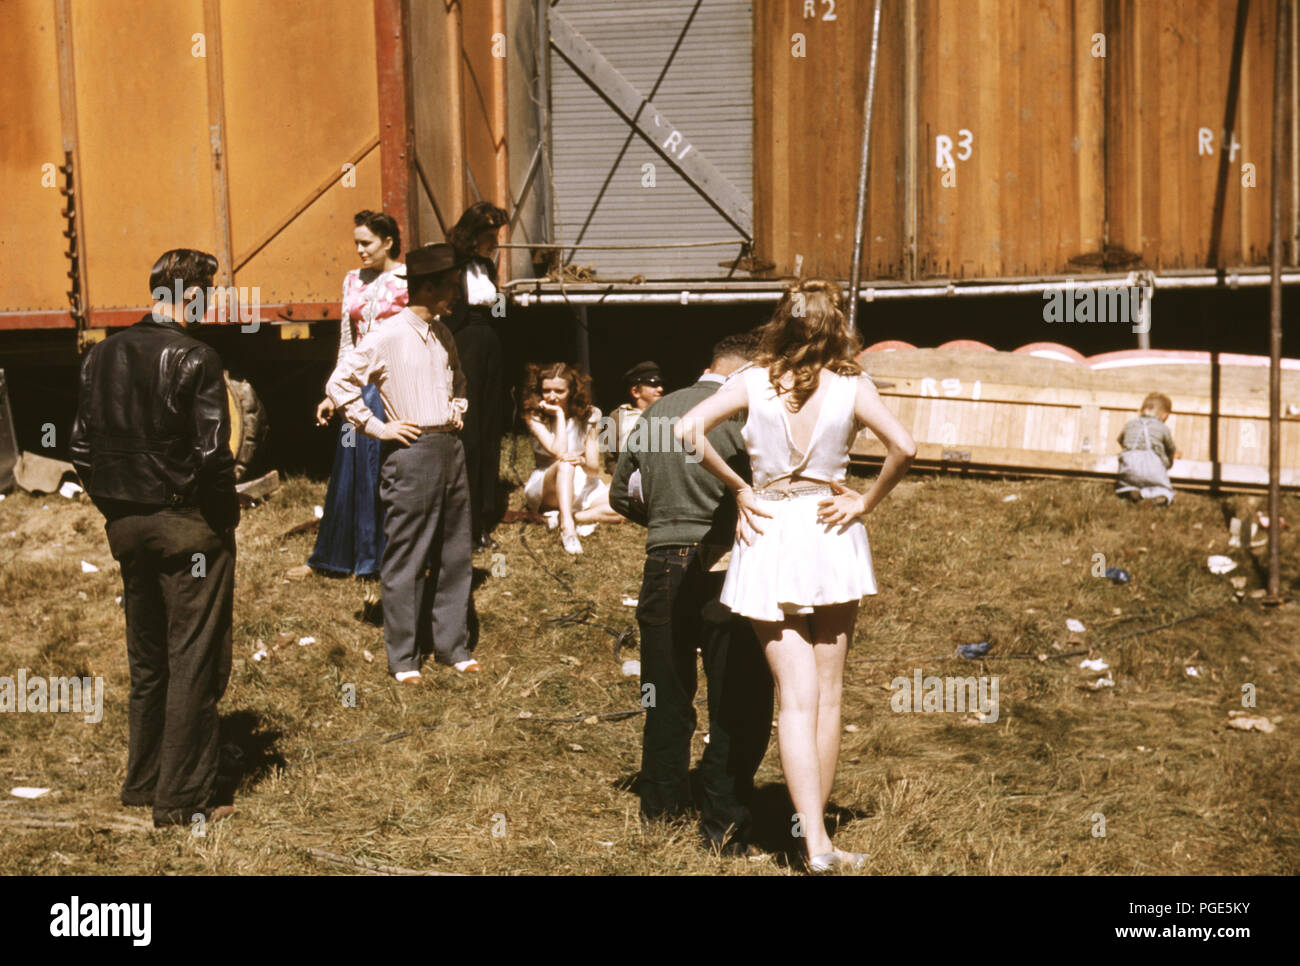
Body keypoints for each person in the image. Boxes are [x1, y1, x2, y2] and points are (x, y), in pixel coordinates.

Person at [676, 279, 916, 872]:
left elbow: (686, 431)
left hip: (771, 529)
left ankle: (812, 845)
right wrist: (865, 502)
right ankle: (821, 844)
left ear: (781, 322)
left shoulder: (753, 379)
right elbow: (904, 446)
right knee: (829, 695)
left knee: (796, 699)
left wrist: (738, 489)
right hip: (832, 529)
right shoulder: (854, 383)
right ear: (838, 326)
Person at [69, 248, 239, 828]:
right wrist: (220, 521)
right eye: (208, 294)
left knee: (148, 659)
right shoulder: (197, 356)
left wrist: (115, 510)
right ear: (189, 295)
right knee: (193, 658)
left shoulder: (101, 355)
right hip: (186, 527)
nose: (212, 305)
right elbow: (215, 454)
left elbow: (80, 449)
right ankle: (182, 800)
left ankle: (142, 783)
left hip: (127, 528)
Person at [610, 332, 773, 856]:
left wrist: (663, 521)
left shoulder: (656, 414)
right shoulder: (746, 411)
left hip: (662, 566)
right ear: (745, 370)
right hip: (728, 565)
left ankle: (659, 815)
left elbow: (619, 494)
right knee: (737, 698)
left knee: (665, 696)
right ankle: (723, 829)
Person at [326, 243, 481, 681]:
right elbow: (340, 384)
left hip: (450, 450)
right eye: (451, 287)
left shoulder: (444, 335)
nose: (457, 296)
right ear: (428, 288)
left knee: (455, 554)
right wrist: (377, 428)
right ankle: (405, 658)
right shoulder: (387, 335)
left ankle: (452, 646)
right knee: (407, 557)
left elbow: (460, 381)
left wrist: (457, 408)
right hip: (410, 455)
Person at [288, 211, 408, 612]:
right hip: (358, 385)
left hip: (394, 385)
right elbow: (347, 339)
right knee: (349, 470)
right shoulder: (353, 280)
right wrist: (334, 391)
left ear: (388, 241)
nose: (359, 250)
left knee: (381, 470)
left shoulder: (408, 281)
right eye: (356, 243)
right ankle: (335, 556)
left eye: (367, 243)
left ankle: (378, 559)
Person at [446, 202, 510, 552]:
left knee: (488, 430)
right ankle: (465, 523)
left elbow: (497, 309)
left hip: (490, 344)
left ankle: (485, 516)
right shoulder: (453, 264)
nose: (494, 241)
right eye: (489, 235)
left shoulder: (487, 266)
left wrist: (503, 305)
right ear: (471, 235)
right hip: (464, 345)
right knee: (468, 433)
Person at [521, 362, 624, 555]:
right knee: (565, 463)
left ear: (571, 391)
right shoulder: (535, 416)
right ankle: (567, 528)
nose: (552, 397)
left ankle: (571, 515)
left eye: (559, 391)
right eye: (546, 391)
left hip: (579, 481)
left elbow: (594, 469)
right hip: (547, 484)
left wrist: (584, 462)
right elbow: (559, 451)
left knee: (625, 505)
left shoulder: (590, 415)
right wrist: (559, 415)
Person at [1115, 392, 1178, 506]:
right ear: (1164, 415)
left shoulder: (1130, 424)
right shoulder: (1162, 428)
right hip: (1152, 465)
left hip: (1129, 464)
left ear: (1142, 410)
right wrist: (1173, 456)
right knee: (1161, 486)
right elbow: (1171, 450)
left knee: (1127, 482)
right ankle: (1161, 496)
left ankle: (1130, 490)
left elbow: (1121, 440)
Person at [609, 360, 665, 463]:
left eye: (660, 384)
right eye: (653, 385)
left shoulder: (667, 413)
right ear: (635, 392)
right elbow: (611, 457)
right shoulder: (618, 417)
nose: (660, 389)